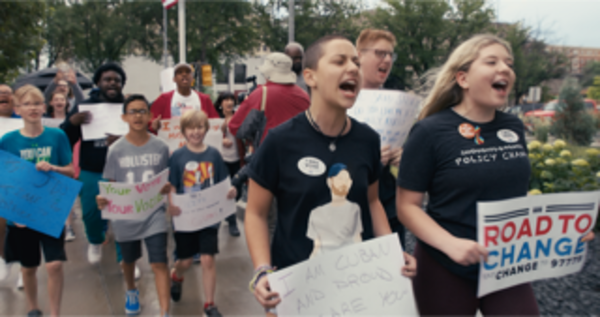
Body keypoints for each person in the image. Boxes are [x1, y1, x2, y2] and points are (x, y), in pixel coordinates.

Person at [245, 35, 417, 317]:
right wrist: (262, 270)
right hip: (297, 291)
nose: (353, 68)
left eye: (356, 63)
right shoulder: (279, 141)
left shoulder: (368, 140)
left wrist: (391, 251)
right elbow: (255, 213)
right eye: (339, 61)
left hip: (356, 288)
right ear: (310, 76)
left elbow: (372, 203)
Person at [396, 34, 543, 316]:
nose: (505, 69)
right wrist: (450, 245)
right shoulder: (429, 131)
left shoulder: (513, 126)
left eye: (509, 64)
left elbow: (515, 197)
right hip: (445, 263)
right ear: (462, 79)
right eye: (492, 61)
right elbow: (407, 207)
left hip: (505, 261)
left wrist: (565, 228)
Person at [1, 84, 74, 317]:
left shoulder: (57, 136)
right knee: (28, 266)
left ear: (44, 107)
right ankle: (33, 308)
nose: (32, 108)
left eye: (36, 103)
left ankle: (55, 312)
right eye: (26, 104)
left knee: (54, 264)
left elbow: (71, 171)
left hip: (49, 209)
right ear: (17, 109)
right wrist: (12, 214)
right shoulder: (8, 141)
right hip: (22, 213)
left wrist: (53, 167)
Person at [96, 94, 172, 317]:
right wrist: (103, 199)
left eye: (142, 111)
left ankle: (165, 311)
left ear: (149, 115)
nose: (137, 116)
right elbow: (110, 184)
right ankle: (131, 291)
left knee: (159, 262)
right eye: (132, 111)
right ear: (124, 117)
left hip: (153, 212)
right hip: (126, 214)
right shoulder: (116, 150)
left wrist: (168, 188)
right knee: (128, 260)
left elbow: (166, 179)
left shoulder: (161, 147)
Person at [61, 62, 136, 265]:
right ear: (98, 83)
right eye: (107, 80)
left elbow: (141, 136)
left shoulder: (129, 107)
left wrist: (123, 138)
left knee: (124, 217)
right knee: (91, 214)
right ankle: (95, 241)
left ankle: (125, 260)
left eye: (117, 80)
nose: (112, 83)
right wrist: (72, 123)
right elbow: (63, 139)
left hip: (124, 170)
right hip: (92, 170)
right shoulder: (84, 107)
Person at [167, 109, 237, 317]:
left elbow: (224, 182)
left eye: (200, 127)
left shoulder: (214, 154)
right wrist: (171, 204)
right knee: (186, 261)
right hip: (186, 217)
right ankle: (176, 275)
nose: (195, 132)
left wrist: (231, 190)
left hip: (208, 217)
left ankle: (209, 305)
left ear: (207, 129)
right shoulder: (178, 156)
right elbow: (172, 185)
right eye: (191, 128)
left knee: (208, 259)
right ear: (183, 131)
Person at [356, 29, 406, 247]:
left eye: (390, 55)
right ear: (359, 56)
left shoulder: (395, 103)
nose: (386, 59)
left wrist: (404, 156)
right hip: (352, 209)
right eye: (379, 53)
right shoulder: (341, 99)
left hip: (388, 202)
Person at [228, 52, 310, 143]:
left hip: (270, 152)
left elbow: (236, 128)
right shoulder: (304, 95)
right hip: (300, 151)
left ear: (267, 73)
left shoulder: (261, 94)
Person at [149, 62, 219, 133]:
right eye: (180, 72)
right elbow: (150, 123)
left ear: (192, 78)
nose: (184, 74)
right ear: (174, 79)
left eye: (187, 72)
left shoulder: (204, 99)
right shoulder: (163, 99)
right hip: (171, 142)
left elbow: (216, 124)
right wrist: (153, 126)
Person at [215, 92, 243, 237]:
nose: (229, 102)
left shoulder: (239, 117)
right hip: (221, 161)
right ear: (220, 104)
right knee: (228, 191)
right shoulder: (214, 120)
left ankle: (226, 212)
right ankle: (233, 223)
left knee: (239, 191)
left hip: (238, 159)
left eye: (231, 99)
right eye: (225, 99)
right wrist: (221, 138)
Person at [0, 83, 16, 281]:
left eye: (7, 93)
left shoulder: (22, 121)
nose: (3, 95)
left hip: (21, 180)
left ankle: (24, 267)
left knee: (25, 226)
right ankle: (2, 259)